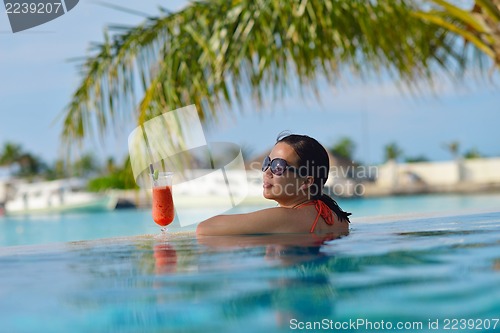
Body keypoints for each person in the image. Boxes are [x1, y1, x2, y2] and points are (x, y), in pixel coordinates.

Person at [196, 133, 351, 235]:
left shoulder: (285, 217)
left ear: (306, 181)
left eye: (278, 166)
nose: (267, 171)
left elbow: (204, 229)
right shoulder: (337, 218)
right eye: (267, 163)